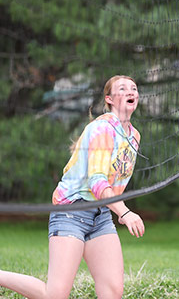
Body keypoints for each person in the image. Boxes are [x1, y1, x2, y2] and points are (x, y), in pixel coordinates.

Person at [0, 75, 145, 299]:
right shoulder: (101, 128)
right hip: (71, 211)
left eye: (133, 89)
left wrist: (114, 207)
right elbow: (97, 182)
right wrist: (124, 212)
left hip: (101, 215)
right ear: (109, 99)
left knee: (112, 292)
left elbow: (117, 182)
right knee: (54, 295)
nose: (130, 92)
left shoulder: (134, 136)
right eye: (122, 89)